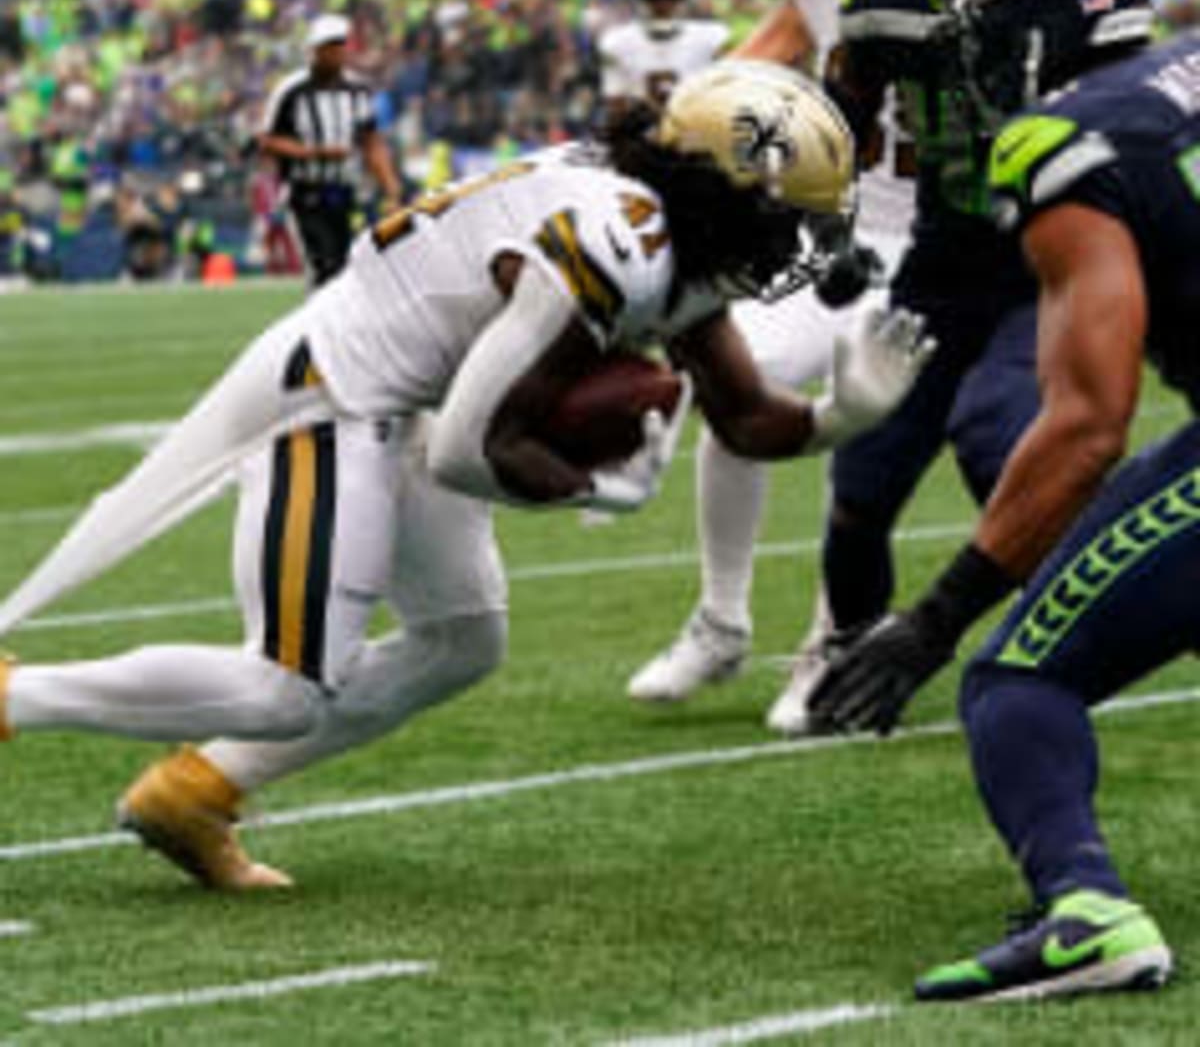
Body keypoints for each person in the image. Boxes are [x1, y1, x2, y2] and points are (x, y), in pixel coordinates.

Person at [0, 61, 933, 892]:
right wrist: (591, 490)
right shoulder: (617, 240)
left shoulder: (673, 232)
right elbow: (469, 450)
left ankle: (195, 792)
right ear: (719, 189)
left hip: (411, 399)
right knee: (284, 684)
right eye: (785, 218)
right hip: (336, 390)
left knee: (460, 640)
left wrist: (839, 419)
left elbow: (743, 414)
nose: (793, 247)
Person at [811, 0, 1179, 1001]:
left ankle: (1085, 910)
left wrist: (935, 614)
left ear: (1030, 25)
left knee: (1018, 678)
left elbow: (1086, 425)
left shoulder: (1062, 142)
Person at [761, 0, 1060, 735]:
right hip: (942, 256)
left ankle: (1078, 633)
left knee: (999, 437)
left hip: (1050, 254)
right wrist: (825, 223)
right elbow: (841, 112)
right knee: (862, 476)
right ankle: (853, 661)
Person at [625, 0, 920, 714]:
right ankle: (720, 622)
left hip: (948, 240)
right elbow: (768, 54)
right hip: (843, 222)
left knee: (864, 425)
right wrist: (682, 119)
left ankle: (833, 643)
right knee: (736, 390)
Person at [259, 13, 403, 287]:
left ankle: (335, 327)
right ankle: (319, 327)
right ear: (314, 50)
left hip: (346, 191)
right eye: (328, 46)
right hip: (305, 192)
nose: (335, 53)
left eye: (339, 45)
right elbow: (267, 140)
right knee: (322, 266)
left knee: (345, 267)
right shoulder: (292, 90)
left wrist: (391, 189)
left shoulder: (357, 90)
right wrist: (313, 152)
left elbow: (371, 142)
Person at [597, 0, 731, 119]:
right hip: (638, 131)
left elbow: (724, 98)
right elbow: (616, 101)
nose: (662, 4)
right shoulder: (617, 42)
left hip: (697, 129)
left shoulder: (712, 38)